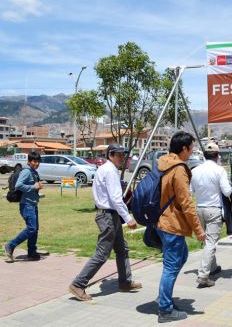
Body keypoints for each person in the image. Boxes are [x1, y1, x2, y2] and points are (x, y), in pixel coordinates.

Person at [69, 145, 141, 301]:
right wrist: (128, 218)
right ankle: (78, 284)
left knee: (122, 249)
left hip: (110, 215)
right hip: (108, 216)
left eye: (123, 155)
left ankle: (125, 282)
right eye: (119, 155)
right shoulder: (109, 171)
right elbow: (116, 198)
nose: (122, 158)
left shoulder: (107, 169)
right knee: (102, 254)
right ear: (111, 155)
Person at [156, 132, 206, 323]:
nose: (192, 151)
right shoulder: (179, 169)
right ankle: (165, 309)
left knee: (180, 257)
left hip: (163, 221)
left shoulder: (164, 163)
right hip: (172, 224)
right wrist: (198, 230)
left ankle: (164, 296)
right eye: (191, 148)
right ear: (184, 149)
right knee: (170, 266)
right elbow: (187, 203)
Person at [190, 142, 232, 288]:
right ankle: (203, 275)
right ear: (217, 155)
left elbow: (190, 192)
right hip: (214, 209)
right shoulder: (219, 170)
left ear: (204, 155)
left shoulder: (195, 170)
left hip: (199, 208)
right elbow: (227, 191)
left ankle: (212, 267)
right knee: (211, 242)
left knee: (207, 241)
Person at [4, 152, 46, 262]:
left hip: (32, 204)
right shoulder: (27, 172)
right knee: (32, 228)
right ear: (29, 162)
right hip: (26, 205)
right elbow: (18, 185)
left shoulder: (34, 172)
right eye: (34, 161)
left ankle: (32, 252)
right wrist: (33, 186)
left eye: (38, 161)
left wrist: (37, 187)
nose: (36, 163)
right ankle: (10, 245)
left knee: (34, 229)